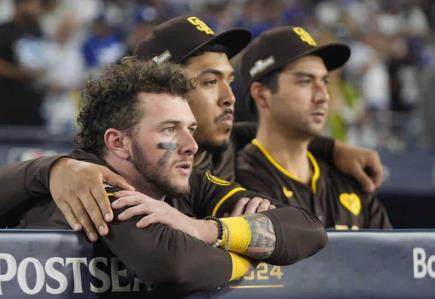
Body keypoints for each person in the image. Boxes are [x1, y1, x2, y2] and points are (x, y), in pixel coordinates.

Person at [0, 15, 384, 239]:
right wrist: (52, 169)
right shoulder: (111, 172)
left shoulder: (231, 142)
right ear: (163, 92)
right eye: (207, 81)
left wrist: (333, 148)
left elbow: (267, 133)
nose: (229, 97)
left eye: (228, 80)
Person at [5, 58, 326, 296]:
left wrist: (205, 229)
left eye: (190, 129)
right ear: (118, 142)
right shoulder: (90, 186)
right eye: (170, 129)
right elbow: (177, 266)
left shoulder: (183, 181)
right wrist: (251, 259)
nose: (191, 146)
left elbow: (307, 229)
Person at [236, 26, 391, 229]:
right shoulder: (237, 181)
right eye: (305, 81)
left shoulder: (350, 178)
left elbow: (393, 258)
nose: (323, 96)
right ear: (262, 95)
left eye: (324, 81)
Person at [0, 0, 45, 125]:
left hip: (32, 102)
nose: (36, 7)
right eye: (31, 2)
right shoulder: (4, 31)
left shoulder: (37, 31)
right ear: (19, 4)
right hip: (7, 101)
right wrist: (20, 73)